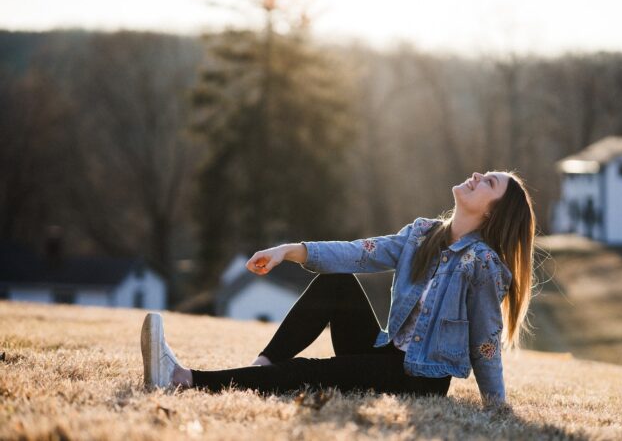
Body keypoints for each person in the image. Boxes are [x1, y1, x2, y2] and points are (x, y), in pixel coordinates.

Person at [140, 170, 535, 408]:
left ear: (492, 212)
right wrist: (288, 250)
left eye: (489, 183)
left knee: (306, 373)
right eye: (484, 173)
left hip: (417, 379)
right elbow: (357, 254)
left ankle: (184, 379)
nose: (477, 176)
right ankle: (259, 370)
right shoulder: (422, 235)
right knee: (336, 284)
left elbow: (485, 339)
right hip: (384, 352)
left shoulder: (481, 264)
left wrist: (496, 405)